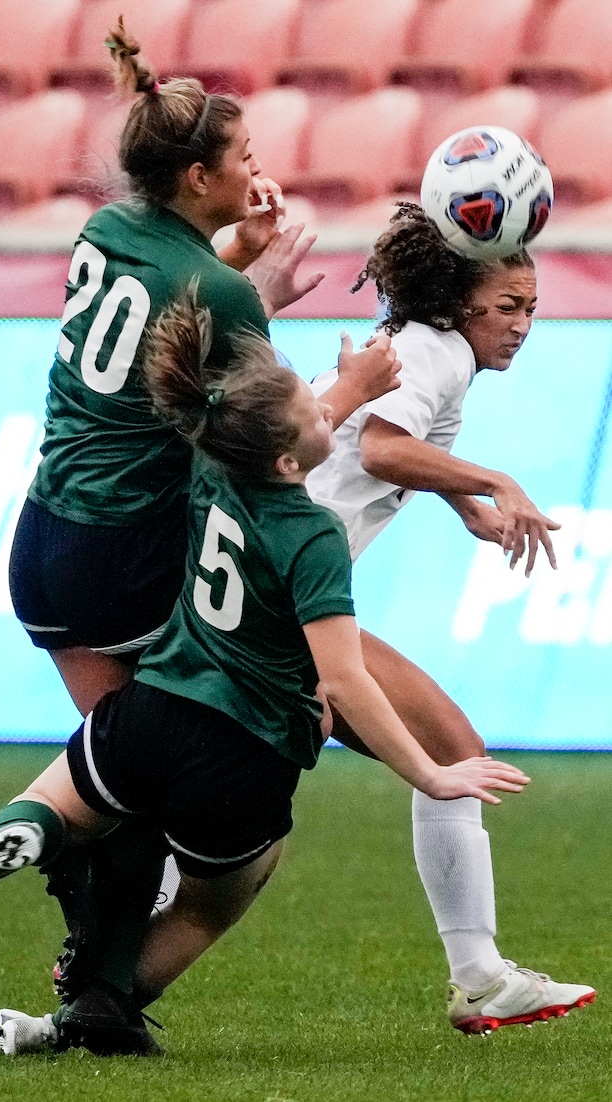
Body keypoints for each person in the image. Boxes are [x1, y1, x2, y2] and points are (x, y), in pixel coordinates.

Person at [0, 291, 532, 1059]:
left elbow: (263, 424)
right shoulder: (311, 538)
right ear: (285, 458)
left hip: (150, 708)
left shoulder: (210, 468)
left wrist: (344, 390)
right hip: (242, 751)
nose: (326, 421)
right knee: (210, 906)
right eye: (315, 414)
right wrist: (432, 776)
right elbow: (341, 683)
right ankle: (97, 1007)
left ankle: (19, 833)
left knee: (61, 802)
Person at [4, 14, 403, 1029]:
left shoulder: (105, 232)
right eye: (245, 155)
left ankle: (79, 922)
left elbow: (167, 298)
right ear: (197, 176)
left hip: (40, 537)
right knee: (218, 744)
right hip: (123, 543)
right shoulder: (222, 294)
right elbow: (269, 435)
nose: (259, 167)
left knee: (121, 753)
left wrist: (237, 262)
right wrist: (295, 329)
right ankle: (97, 966)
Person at [305, 202, 595, 1034]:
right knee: (227, 813)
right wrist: (496, 481)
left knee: (223, 804)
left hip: (277, 596)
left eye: (533, 308)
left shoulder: (438, 355)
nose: (523, 325)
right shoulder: (435, 353)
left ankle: (481, 979)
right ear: (459, 302)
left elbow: (390, 449)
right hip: (278, 602)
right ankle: (480, 977)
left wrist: (467, 507)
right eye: (508, 307)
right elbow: (381, 450)